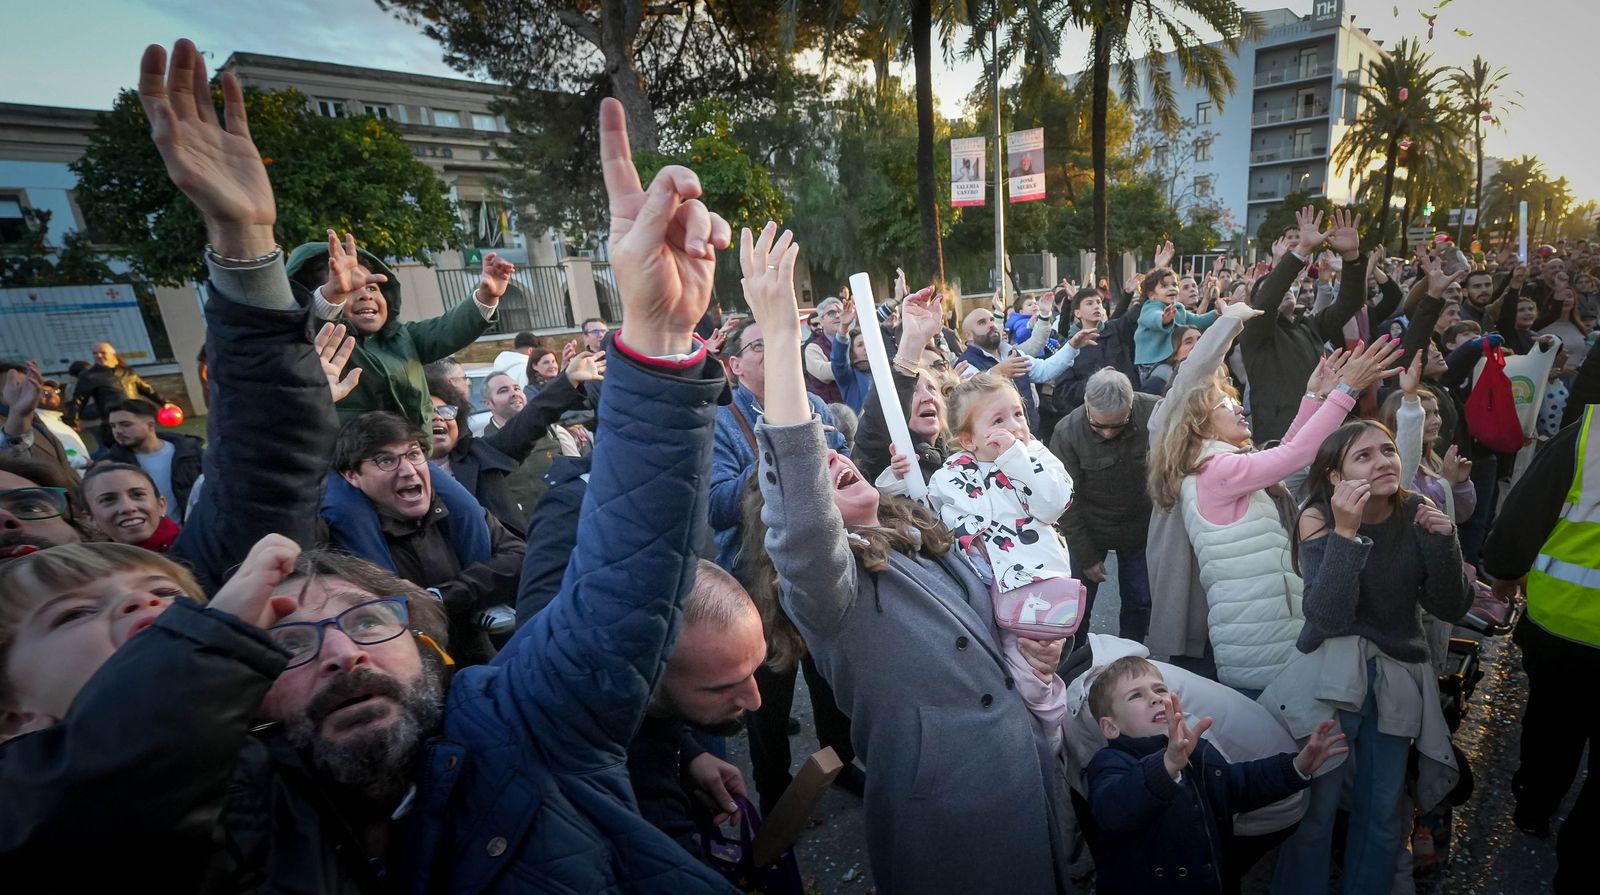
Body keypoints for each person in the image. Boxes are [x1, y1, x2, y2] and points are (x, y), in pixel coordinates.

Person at [739, 221, 1072, 894]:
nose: (836, 460)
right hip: (950, 810)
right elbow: (802, 507)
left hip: (1021, 767)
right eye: (816, 465)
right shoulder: (830, 595)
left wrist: (1034, 644)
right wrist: (780, 335)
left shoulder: (920, 525)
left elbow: (872, 439)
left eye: (834, 452)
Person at [1266, 420, 1471, 894]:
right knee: (1317, 810)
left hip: (1398, 675)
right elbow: (1327, 616)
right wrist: (1346, 532)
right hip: (1332, 675)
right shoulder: (1318, 516)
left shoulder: (1417, 510)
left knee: (1383, 811)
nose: (1383, 462)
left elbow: (1450, 607)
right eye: (1364, 456)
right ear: (1336, 477)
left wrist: (1445, 543)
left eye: (1388, 450)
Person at [1146, 323, 1400, 694]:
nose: (1239, 407)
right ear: (1199, 423)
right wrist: (1346, 391)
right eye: (1225, 403)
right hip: (1260, 646)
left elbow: (1284, 455)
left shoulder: (1220, 466)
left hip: (1264, 634)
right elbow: (1296, 454)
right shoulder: (1216, 469)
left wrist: (1314, 397)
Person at [1084, 656, 1344, 895]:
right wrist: (1166, 766)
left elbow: (1239, 783)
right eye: (1136, 696)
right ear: (1110, 727)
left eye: (1160, 690)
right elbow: (1113, 811)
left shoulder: (1194, 750)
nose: (1156, 699)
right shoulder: (1109, 763)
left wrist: (1296, 766)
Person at [1483, 394, 1600, 893]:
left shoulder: (1589, 433)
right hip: (1564, 628)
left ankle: (1533, 808)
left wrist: (1504, 571)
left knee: (1553, 725)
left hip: (1563, 627)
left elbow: (1528, 508)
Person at [318, 411, 526, 665]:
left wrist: (441, 597)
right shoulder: (337, 540)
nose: (408, 471)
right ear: (352, 476)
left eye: (414, 454)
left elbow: (519, 557)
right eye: (385, 461)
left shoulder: (461, 515)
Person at [286, 229, 515, 429]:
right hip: (354, 459)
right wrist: (334, 295)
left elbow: (448, 329)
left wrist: (486, 297)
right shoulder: (318, 343)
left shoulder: (403, 337)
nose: (365, 295)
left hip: (412, 454)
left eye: (373, 288)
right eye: (349, 289)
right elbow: (311, 323)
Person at [709, 316, 847, 571]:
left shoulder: (813, 404)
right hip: (758, 570)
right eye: (759, 345)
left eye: (776, 341)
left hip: (826, 554)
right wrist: (775, 453)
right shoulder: (721, 418)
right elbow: (717, 507)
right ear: (736, 365)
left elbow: (844, 456)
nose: (772, 350)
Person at [1237, 207, 1371, 445]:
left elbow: (1350, 302)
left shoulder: (1310, 326)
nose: (1285, 290)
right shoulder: (1255, 335)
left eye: (1288, 287)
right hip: (1281, 442)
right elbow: (1268, 298)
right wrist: (1301, 250)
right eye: (1277, 287)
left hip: (1324, 434)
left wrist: (1352, 257)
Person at [424, 353, 598, 532]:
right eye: (427, 412)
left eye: (446, 411)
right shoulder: (409, 474)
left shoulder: (480, 455)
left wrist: (568, 380)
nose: (438, 417)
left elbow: (531, 419)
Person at [1051, 368, 1159, 643]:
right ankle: (1074, 659)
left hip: (1142, 527)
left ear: (1131, 407)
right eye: (1099, 426)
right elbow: (1065, 503)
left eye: (1118, 425)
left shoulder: (1155, 413)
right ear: (1087, 404)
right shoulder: (1067, 432)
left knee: (1140, 600)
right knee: (1076, 608)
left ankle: (1131, 653)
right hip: (1089, 528)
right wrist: (1086, 557)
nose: (1109, 433)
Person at [100, 397, 204, 523]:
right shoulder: (111, 464)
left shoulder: (189, 452)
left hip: (195, 527)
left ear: (150, 425)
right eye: (113, 426)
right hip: (146, 532)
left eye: (126, 424)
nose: (118, 431)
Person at [63, 340, 168, 447]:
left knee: (147, 446)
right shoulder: (89, 376)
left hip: (136, 418)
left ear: (112, 353)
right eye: (95, 353)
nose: (99, 356)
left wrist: (165, 403)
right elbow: (78, 400)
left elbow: (147, 389)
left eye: (102, 352)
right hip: (113, 423)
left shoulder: (127, 371)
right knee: (121, 451)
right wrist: (72, 421)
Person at [2, 362, 84, 473]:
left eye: (29, 384)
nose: (28, 391)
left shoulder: (38, 420)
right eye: (17, 386)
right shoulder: (15, 425)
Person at [79, 462, 180, 552]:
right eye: (108, 499)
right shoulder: (95, 565)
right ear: (90, 519)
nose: (127, 507)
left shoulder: (188, 547)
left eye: (138, 494)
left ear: (161, 505)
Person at [1134, 268, 1218, 372]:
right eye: (1165, 286)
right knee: (1170, 376)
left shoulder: (1177, 309)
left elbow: (1199, 320)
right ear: (1152, 295)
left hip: (1171, 360)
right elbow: (1153, 317)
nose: (1171, 288)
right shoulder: (1150, 307)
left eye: (1174, 285)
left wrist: (1218, 313)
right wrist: (1164, 319)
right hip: (1151, 364)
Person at [803, 296, 845, 404]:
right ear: (821, 320)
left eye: (840, 312)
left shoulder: (856, 340)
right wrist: (855, 363)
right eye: (831, 313)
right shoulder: (813, 348)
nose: (837, 316)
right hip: (833, 410)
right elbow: (824, 372)